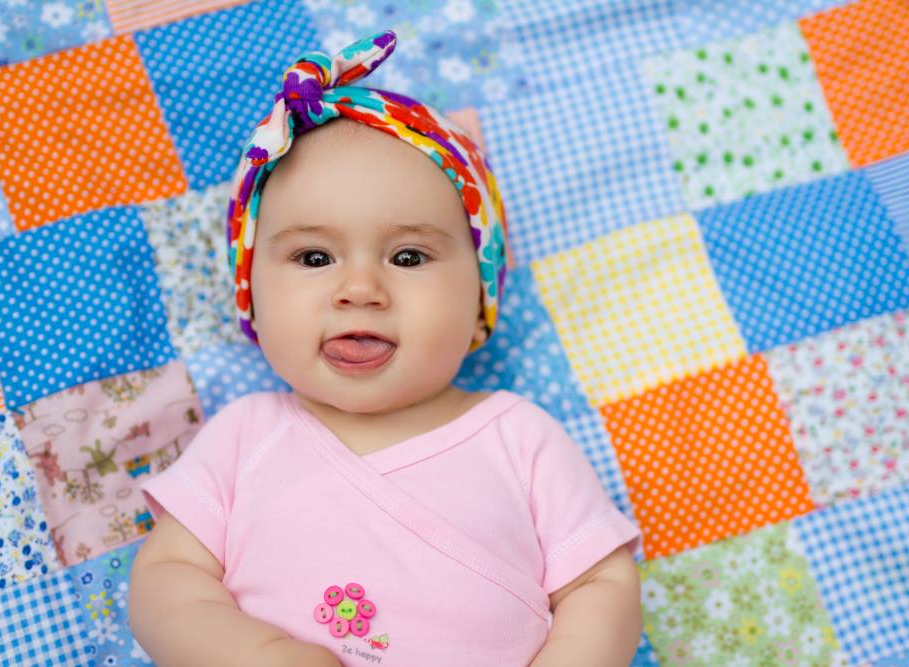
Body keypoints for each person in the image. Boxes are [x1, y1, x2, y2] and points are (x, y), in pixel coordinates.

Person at [128, 29, 642, 667]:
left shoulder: (520, 438)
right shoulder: (243, 438)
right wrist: (254, 652)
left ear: (479, 304)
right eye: (315, 257)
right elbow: (165, 577)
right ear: (252, 296)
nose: (361, 289)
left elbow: (601, 583)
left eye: (408, 256)